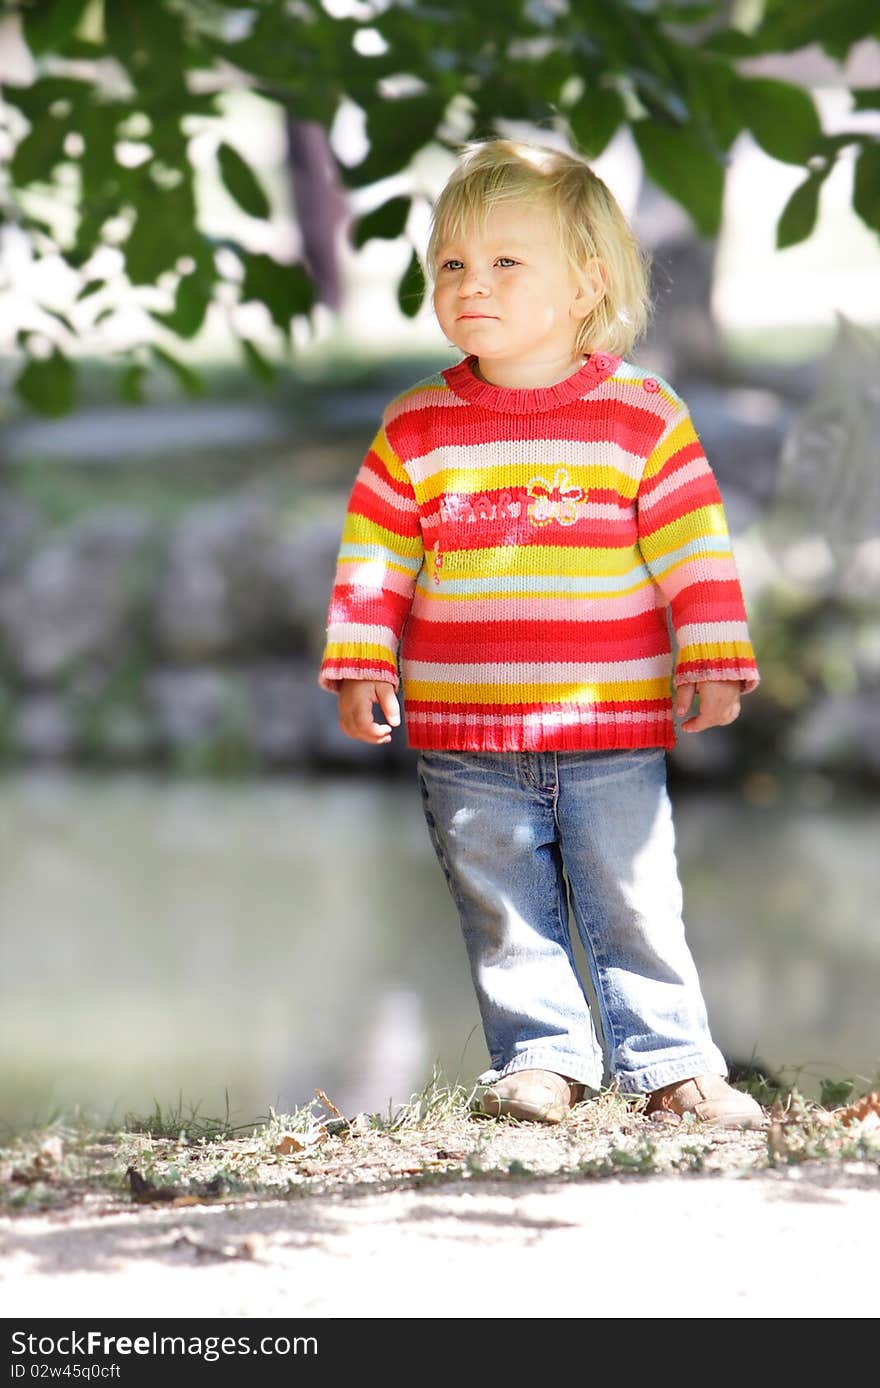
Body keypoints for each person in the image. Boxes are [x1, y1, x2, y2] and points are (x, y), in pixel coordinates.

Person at [317, 137, 765, 1129]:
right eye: (452, 264)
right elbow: (376, 560)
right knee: (503, 904)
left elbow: (694, 548)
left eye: (506, 263)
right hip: (464, 731)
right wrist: (360, 658)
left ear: (585, 286)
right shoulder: (415, 427)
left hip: (609, 719)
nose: (472, 284)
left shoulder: (640, 416)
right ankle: (542, 1059)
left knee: (633, 894)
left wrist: (714, 650)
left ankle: (672, 1061)